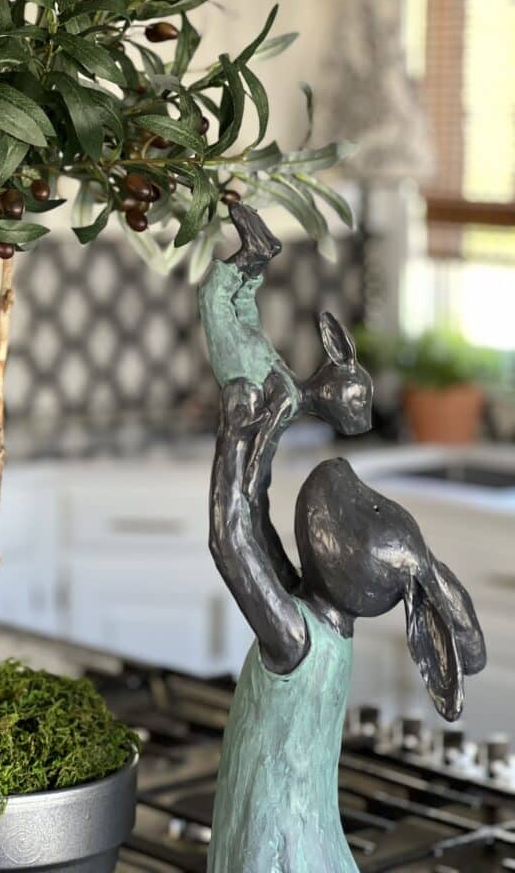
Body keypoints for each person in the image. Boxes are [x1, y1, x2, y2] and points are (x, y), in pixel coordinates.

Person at [201, 204, 486, 873]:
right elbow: (251, 522)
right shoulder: (312, 622)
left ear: (349, 574)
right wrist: (260, 442)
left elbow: (229, 539)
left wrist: (240, 435)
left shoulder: (297, 640)